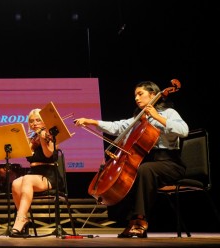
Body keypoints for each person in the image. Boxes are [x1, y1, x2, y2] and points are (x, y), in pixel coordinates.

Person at [74, 80, 189, 238]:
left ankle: (140, 221)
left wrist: (157, 117)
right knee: (128, 176)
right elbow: (119, 127)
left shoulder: (169, 113)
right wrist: (92, 122)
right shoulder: (139, 118)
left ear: (154, 95)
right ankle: (129, 222)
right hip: (148, 162)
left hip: (170, 163)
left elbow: (183, 131)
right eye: (135, 95)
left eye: (140, 94)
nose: (136, 98)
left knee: (143, 170)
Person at [10, 108, 62, 237]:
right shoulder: (31, 139)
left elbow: (48, 154)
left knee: (27, 179)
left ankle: (20, 218)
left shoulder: (52, 136)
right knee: (16, 183)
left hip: (49, 175)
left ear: (45, 122)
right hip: (34, 173)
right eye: (31, 121)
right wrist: (31, 142)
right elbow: (29, 155)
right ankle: (24, 218)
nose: (34, 123)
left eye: (38, 120)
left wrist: (43, 138)